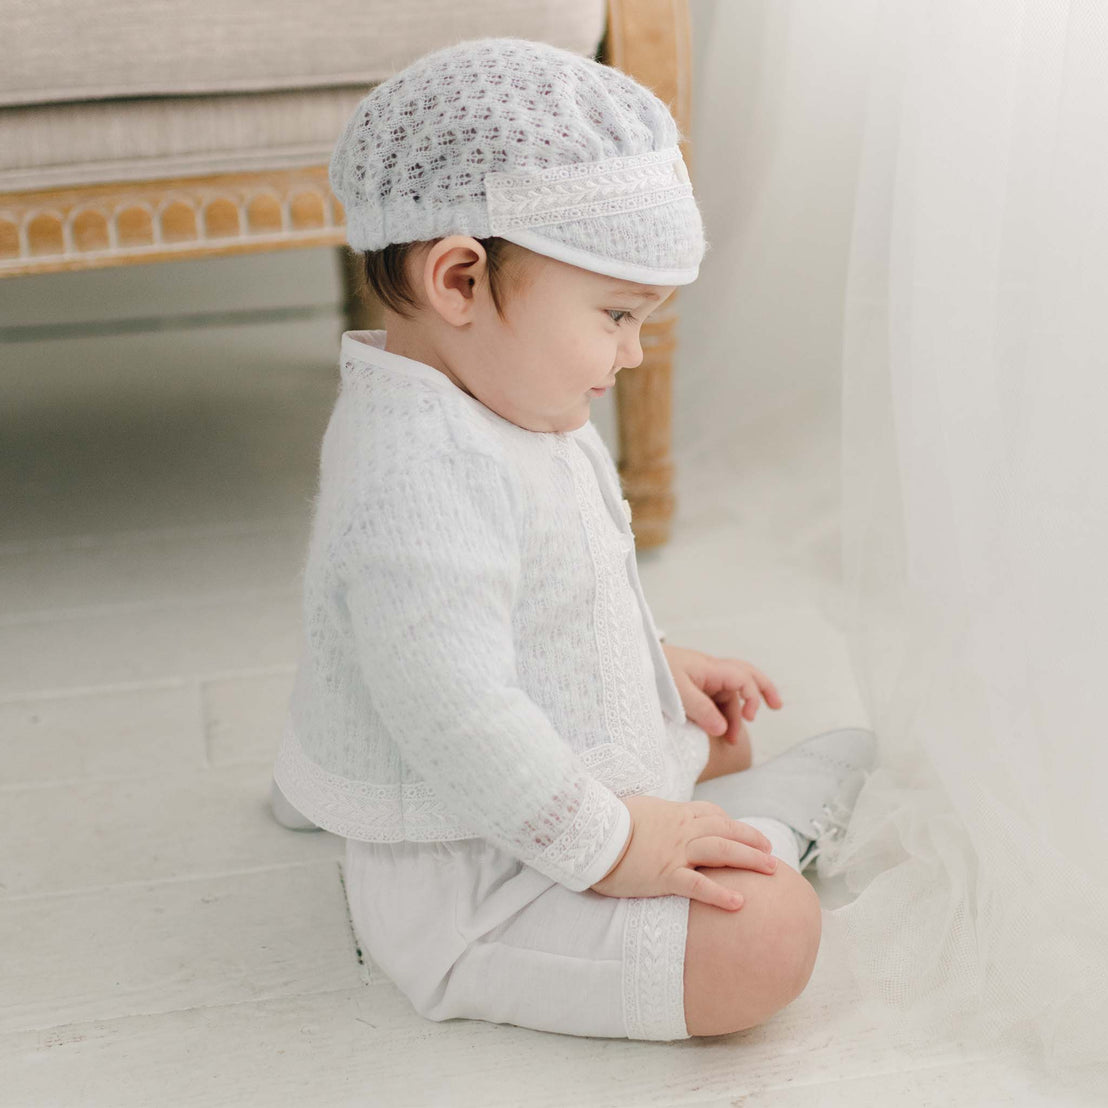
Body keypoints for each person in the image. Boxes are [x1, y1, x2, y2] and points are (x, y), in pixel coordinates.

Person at [270, 36, 876, 1042]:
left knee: (727, 740)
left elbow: (552, 588)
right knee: (769, 938)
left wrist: (653, 664)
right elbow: (451, 708)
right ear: (459, 280)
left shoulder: (499, 391)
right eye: (614, 314)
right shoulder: (415, 470)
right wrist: (613, 843)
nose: (633, 353)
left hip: (527, 791)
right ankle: (757, 847)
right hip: (478, 876)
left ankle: (730, 827)